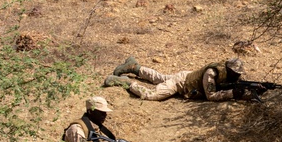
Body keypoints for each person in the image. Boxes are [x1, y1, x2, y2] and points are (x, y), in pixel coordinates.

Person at [104, 57, 257, 102]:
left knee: (160, 78)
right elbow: (211, 96)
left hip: (186, 76)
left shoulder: (225, 74)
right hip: (181, 83)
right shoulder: (212, 73)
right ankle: (126, 82)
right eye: (236, 73)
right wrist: (233, 94)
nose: (238, 76)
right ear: (229, 70)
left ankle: (135, 68)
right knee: (151, 95)